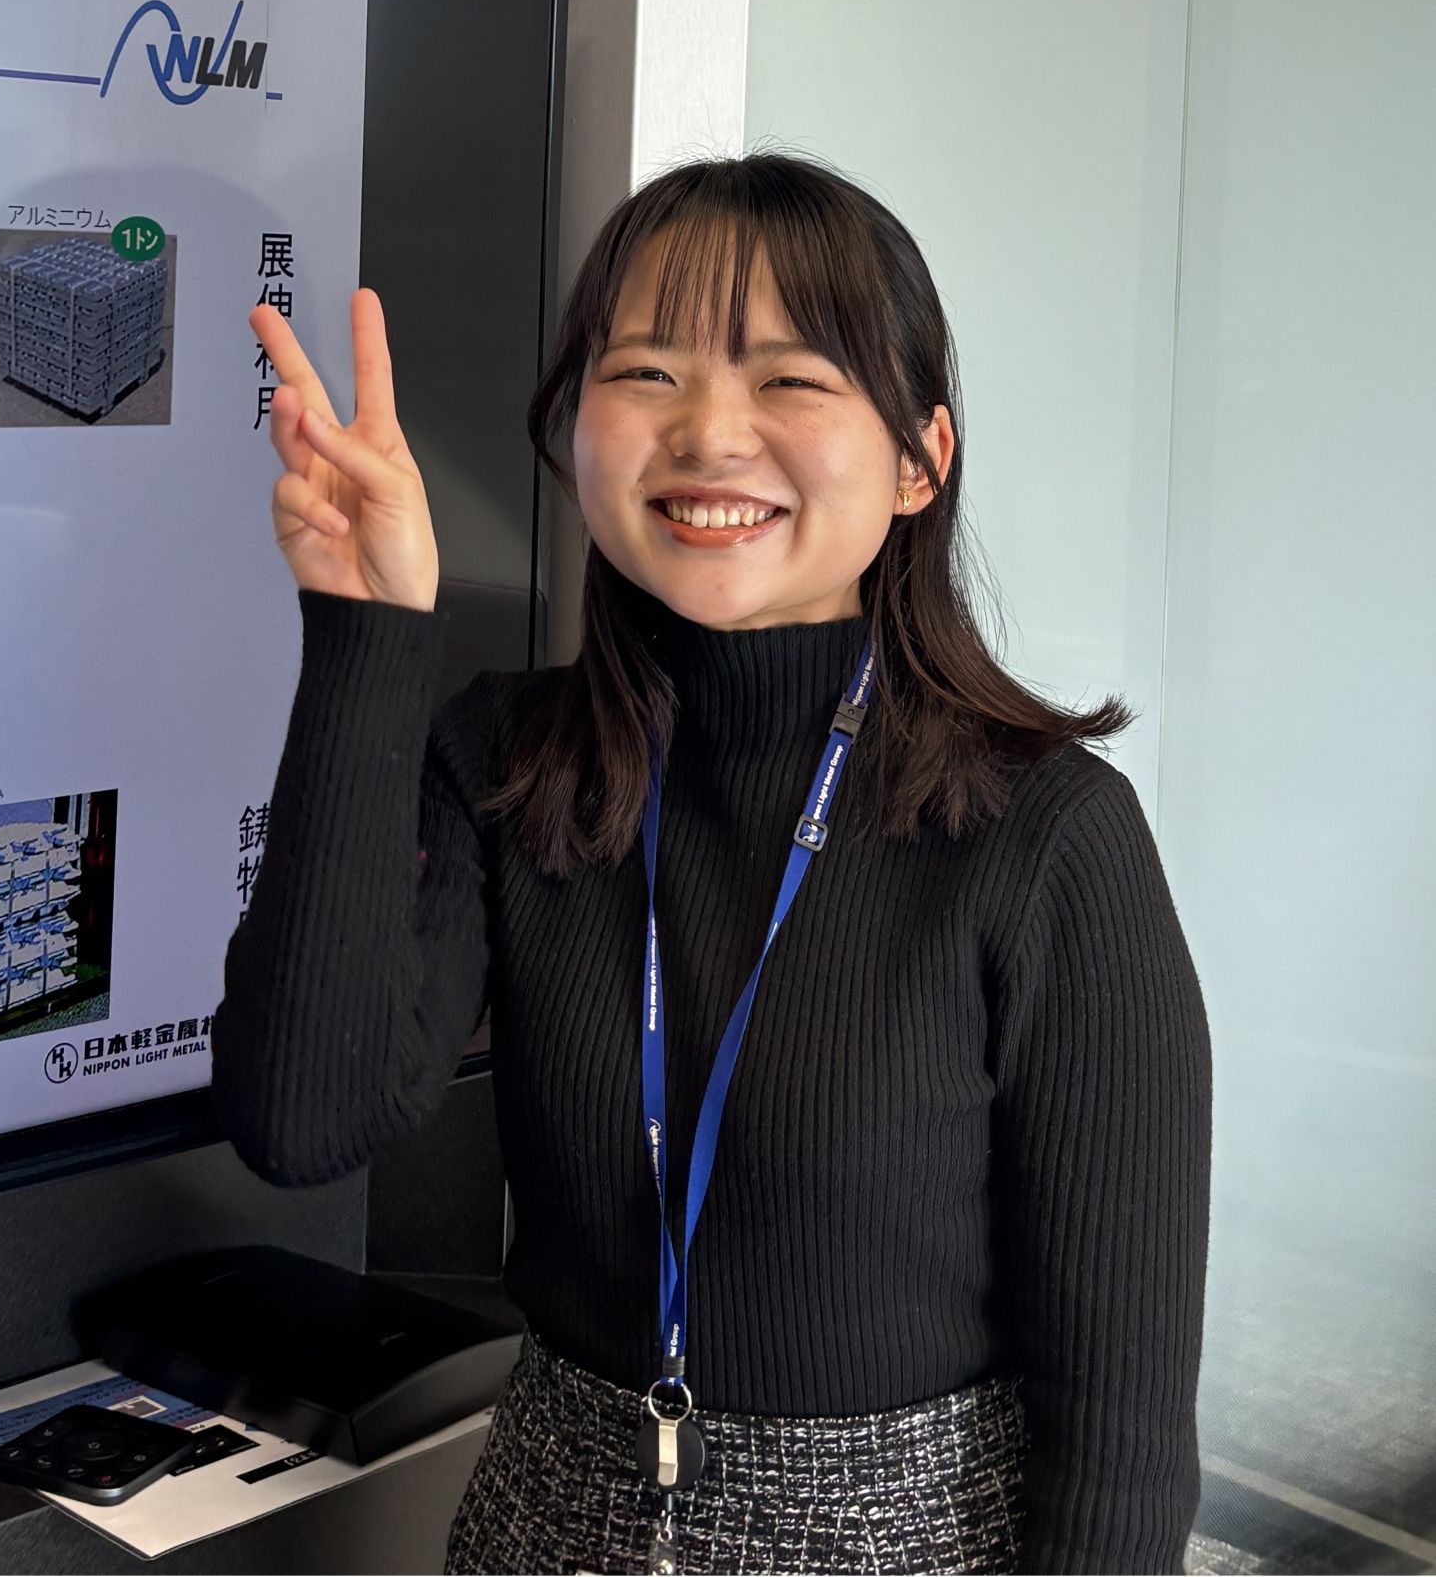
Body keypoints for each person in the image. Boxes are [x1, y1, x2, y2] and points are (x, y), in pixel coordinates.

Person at [212, 152, 1212, 1575]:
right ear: (576, 427)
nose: (708, 433)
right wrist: (367, 636)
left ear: (920, 457)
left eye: (791, 378)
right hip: (549, 1532)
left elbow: (1120, 1429)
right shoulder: (507, 760)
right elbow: (303, 1121)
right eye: (646, 372)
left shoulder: (1048, 836)